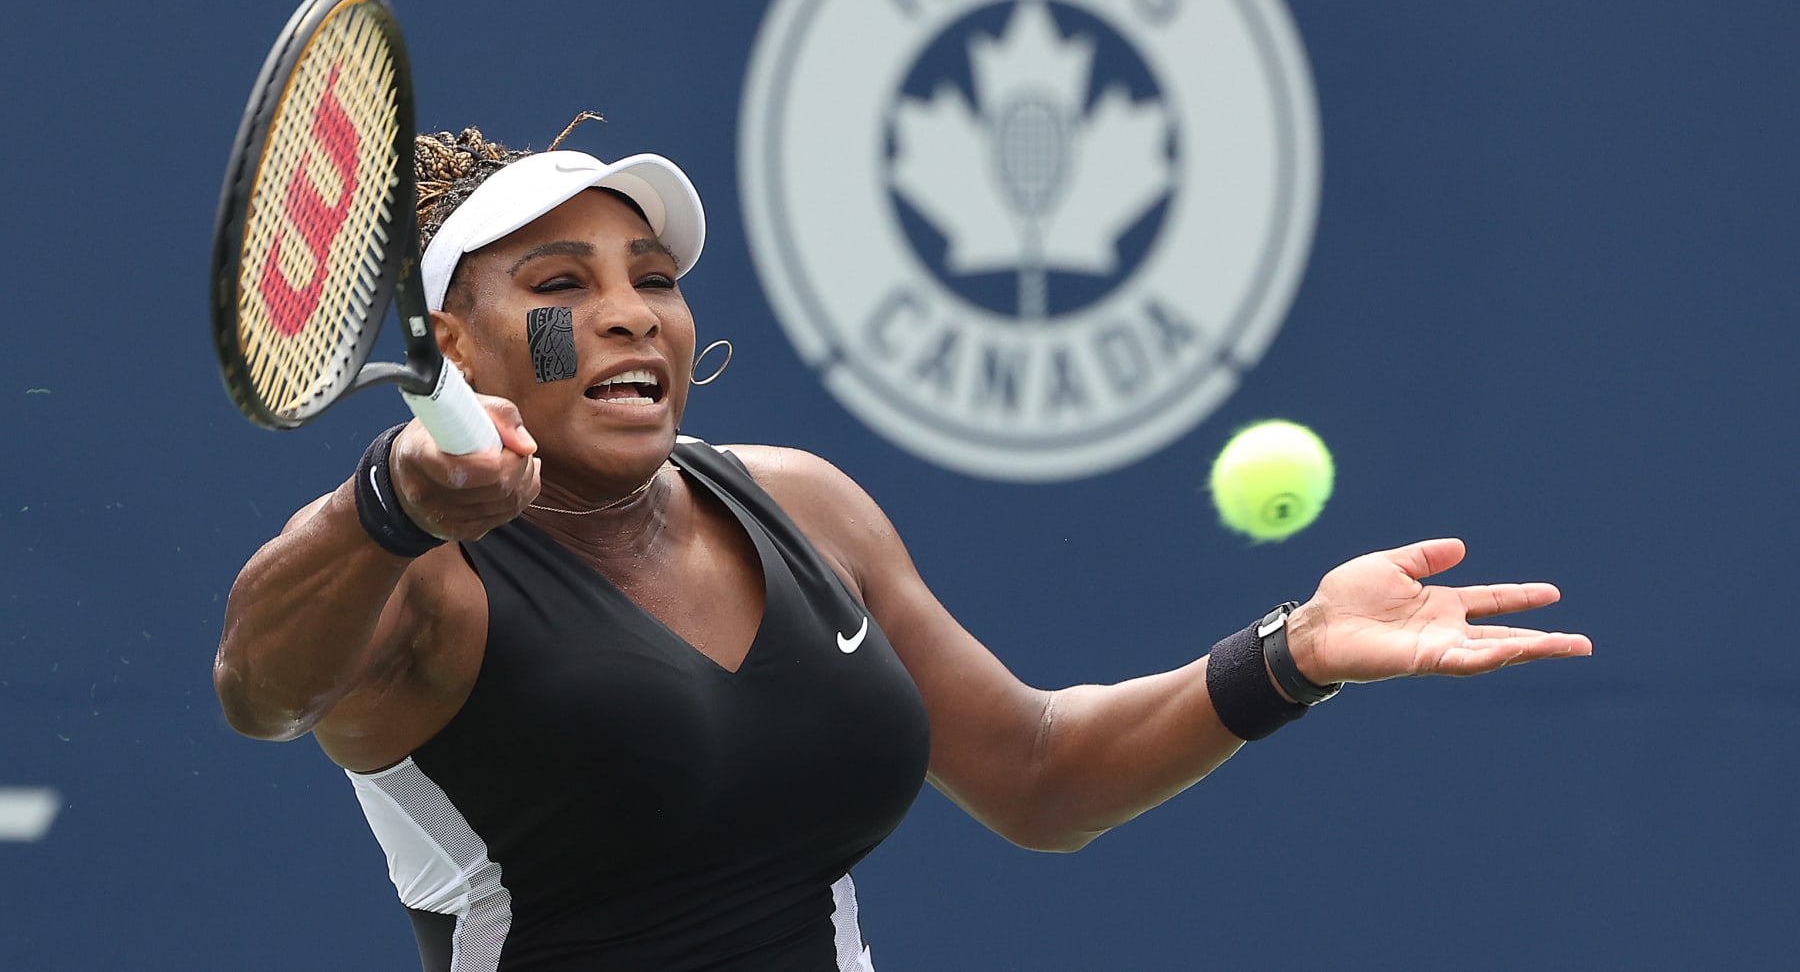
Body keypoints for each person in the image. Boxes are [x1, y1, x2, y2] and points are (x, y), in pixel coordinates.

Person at [213, 125, 1592, 972]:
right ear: (448, 347)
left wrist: (1290, 655)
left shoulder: (800, 501)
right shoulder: (420, 578)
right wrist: (388, 509)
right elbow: (259, 684)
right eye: (564, 286)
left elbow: (1040, 771)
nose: (633, 314)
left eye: (657, 279)